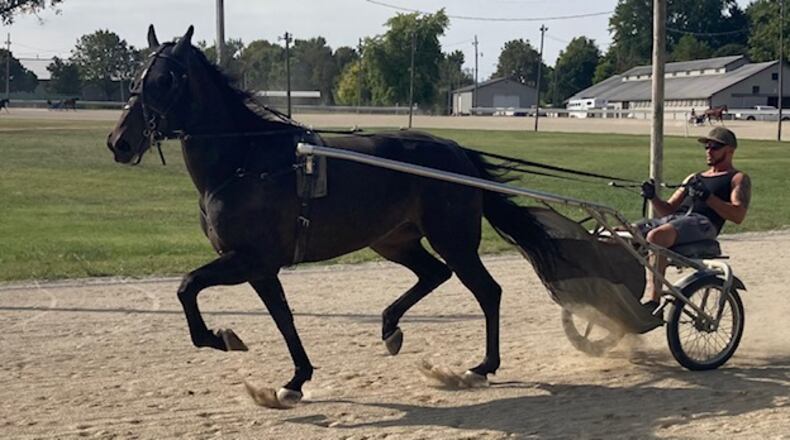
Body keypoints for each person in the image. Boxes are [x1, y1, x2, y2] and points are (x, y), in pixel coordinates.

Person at [638, 127, 751, 311]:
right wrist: (653, 197)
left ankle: (653, 300)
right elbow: (667, 210)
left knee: (655, 237)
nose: (709, 150)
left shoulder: (737, 178)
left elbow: (738, 215)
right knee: (623, 233)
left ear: (730, 150)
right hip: (675, 220)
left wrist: (708, 197)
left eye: (715, 146)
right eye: (707, 146)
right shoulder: (694, 177)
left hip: (703, 224)